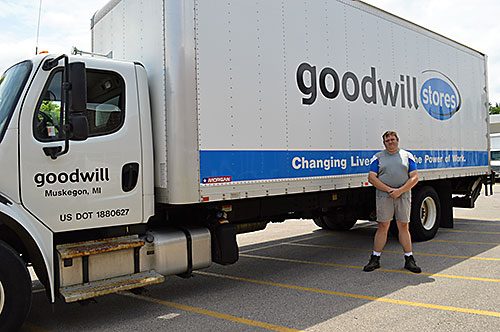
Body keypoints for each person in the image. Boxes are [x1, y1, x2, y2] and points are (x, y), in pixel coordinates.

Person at [363, 130, 421, 273]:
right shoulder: (377, 157)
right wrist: (390, 190)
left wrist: (400, 191)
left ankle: (409, 259)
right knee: (383, 226)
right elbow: (371, 178)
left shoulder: (407, 156)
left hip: (403, 195)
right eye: (387, 140)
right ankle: (375, 259)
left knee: (403, 226)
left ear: (397, 140)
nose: (390, 142)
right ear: (384, 143)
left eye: (392, 139)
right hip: (384, 196)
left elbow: (414, 177)